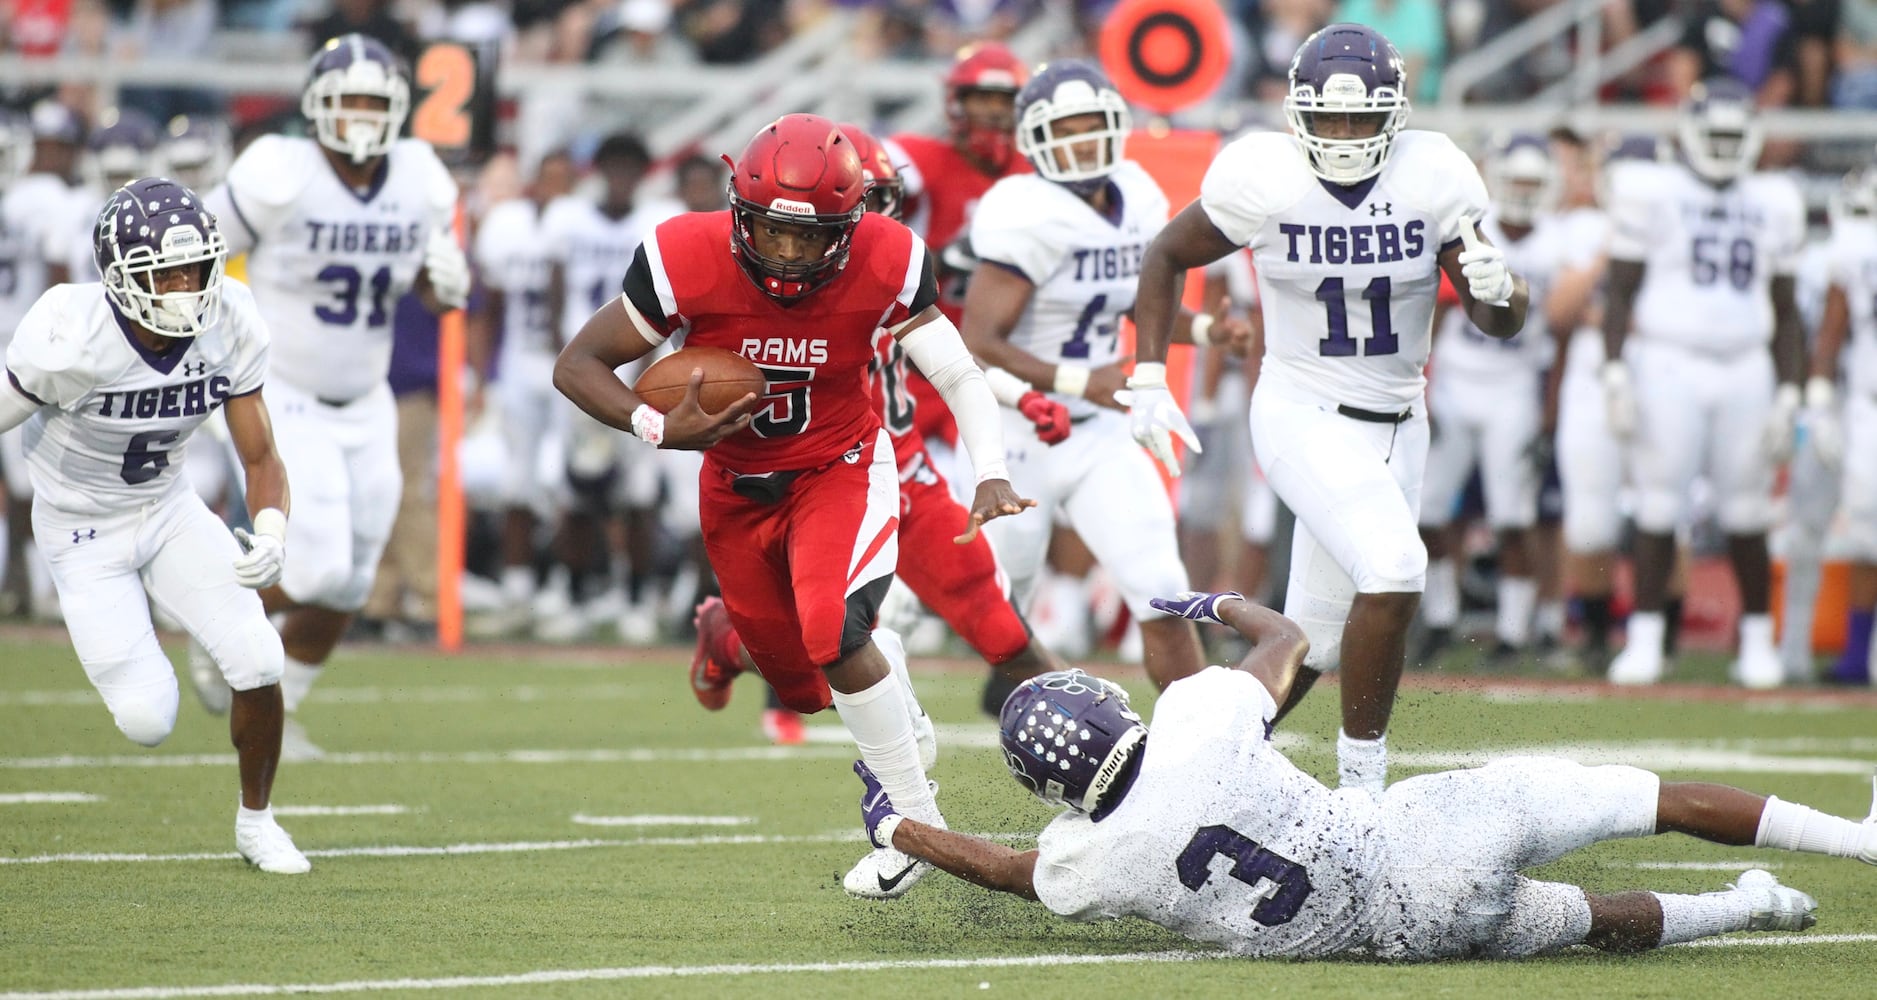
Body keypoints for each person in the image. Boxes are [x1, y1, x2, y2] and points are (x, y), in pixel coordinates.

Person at [852, 589, 1877, 958]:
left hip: (1398, 937)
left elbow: (999, 868)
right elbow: (1292, 641)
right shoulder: (1195, 715)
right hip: (1411, 837)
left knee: (1592, 920)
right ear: (1107, 708)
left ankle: (1751, 911)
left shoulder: (1088, 859)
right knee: (1644, 798)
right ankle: (1847, 841)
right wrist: (1218, 606)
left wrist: (900, 825)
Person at [555, 113, 1031, 899]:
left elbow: (955, 372)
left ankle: (913, 825)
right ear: (738, 211)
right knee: (805, 688)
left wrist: (990, 468)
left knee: (835, 632)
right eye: (771, 233)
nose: (787, 254)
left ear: (853, 227)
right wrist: (656, 423)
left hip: (837, 465)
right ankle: (726, 636)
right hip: (734, 487)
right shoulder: (684, 253)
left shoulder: (888, 258)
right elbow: (580, 362)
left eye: (809, 239)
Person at [1128, 23, 1527, 796]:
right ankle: (1362, 789)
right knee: (1396, 567)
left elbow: (1496, 320)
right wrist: (1150, 374)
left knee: (1309, 637)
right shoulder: (1263, 174)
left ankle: (1196, 770)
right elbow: (1165, 253)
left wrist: (1503, 289)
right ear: (1295, 112)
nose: (1343, 136)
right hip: (1300, 409)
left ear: (1396, 114)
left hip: (1400, 424)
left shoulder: (1433, 173)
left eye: (1360, 118)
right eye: (1328, 118)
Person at [693, 123, 1070, 742]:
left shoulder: (892, 271)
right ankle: (895, 784)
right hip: (827, 476)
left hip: (908, 475)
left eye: (888, 199)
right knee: (848, 645)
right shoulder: (794, 289)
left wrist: (1021, 396)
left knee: (1001, 629)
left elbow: (954, 367)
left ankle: (1101, 746)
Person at [0, 177, 309, 874]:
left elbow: (260, 454)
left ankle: (257, 822)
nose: (182, 287)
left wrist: (270, 531)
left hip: (167, 508)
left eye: (194, 269)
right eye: (161, 272)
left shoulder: (230, 319)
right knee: (148, 720)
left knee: (259, 657)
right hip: (81, 531)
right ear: (118, 276)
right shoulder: (67, 332)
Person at [197, 34, 469, 756]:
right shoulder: (280, 170)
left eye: (374, 102)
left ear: (399, 110)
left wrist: (440, 290)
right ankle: (214, 617)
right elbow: (192, 252)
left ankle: (283, 714)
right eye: (346, 100)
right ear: (316, 106)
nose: (359, 116)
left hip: (366, 395)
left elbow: (421, 285)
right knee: (314, 567)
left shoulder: (419, 176)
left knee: (349, 584)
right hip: (281, 387)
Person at [963, 59, 1240, 690]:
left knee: (1161, 589)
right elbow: (977, 340)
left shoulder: (1137, 193)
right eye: (1067, 128)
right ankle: (1022, 706)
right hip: (1014, 432)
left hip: (1096, 431)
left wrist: (1203, 332)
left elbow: (1136, 299)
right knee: (999, 608)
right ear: (1033, 138)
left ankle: (1199, 743)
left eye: (1093, 125)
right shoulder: (1022, 209)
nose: (1083, 141)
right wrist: (1076, 380)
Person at [1600, 79, 1806, 689]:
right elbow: (1621, 289)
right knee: (1659, 502)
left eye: (1732, 136)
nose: (1722, 147)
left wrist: (1790, 391)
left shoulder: (1776, 199)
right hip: (1669, 360)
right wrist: (1615, 370)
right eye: (1713, 134)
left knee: (1747, 509)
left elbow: (1788, 308)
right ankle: (1644, 637)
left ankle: (1756, 642)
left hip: (1746, 364)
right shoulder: (1653, 190)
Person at [1417, 134, 1574, 666]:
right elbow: (1438, 311)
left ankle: (1513, 630)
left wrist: (1551, 411)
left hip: (1515, 386)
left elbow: (1564, 333)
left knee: (1513, 516)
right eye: (1517, 181)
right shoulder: (1471, 225)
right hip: (1457, 382)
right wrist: (1425, 382)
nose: (1524, 193)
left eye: (1534, 182)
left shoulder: (1558, 243)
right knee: (1429, 510)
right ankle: (1440, 618)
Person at [474, 149, 576, 632]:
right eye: (548, 177)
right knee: (518, 481)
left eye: (564, 178)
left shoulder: (584, 226)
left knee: (563, 480)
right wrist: (480, 374)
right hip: (520, 363)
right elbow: (488, 307)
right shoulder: (506, 225)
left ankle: (559, 591)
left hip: (574, 369)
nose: (555, 187)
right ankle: (518, 589)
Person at [1803, 166, 1877, 686]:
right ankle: (1857, 653)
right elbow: (1832, 331)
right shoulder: (1856, 249)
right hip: (1870, 403)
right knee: (1866, 535)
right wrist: (1820, 402)